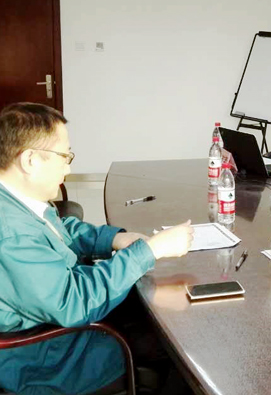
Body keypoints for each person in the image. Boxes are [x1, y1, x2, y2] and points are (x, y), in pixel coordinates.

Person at [0, 103, 194, 393]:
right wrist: (149, 251)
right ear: (30, 160)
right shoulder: (10, 234)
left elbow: (60, 230)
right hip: (47, 359)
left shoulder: (17, 199)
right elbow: (73, 303)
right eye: (65, 157)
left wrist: (113, 240)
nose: (69, 168)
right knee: (178, 341)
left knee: (162, 302)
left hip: (57, 325)